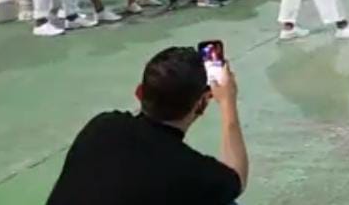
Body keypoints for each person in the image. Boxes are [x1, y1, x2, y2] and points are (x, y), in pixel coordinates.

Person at [46, 46, 248, 205]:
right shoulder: (190, 171)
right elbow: (236, 178)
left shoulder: (102, 125)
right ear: (201, 103)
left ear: (139, 92)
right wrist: (227, 102)